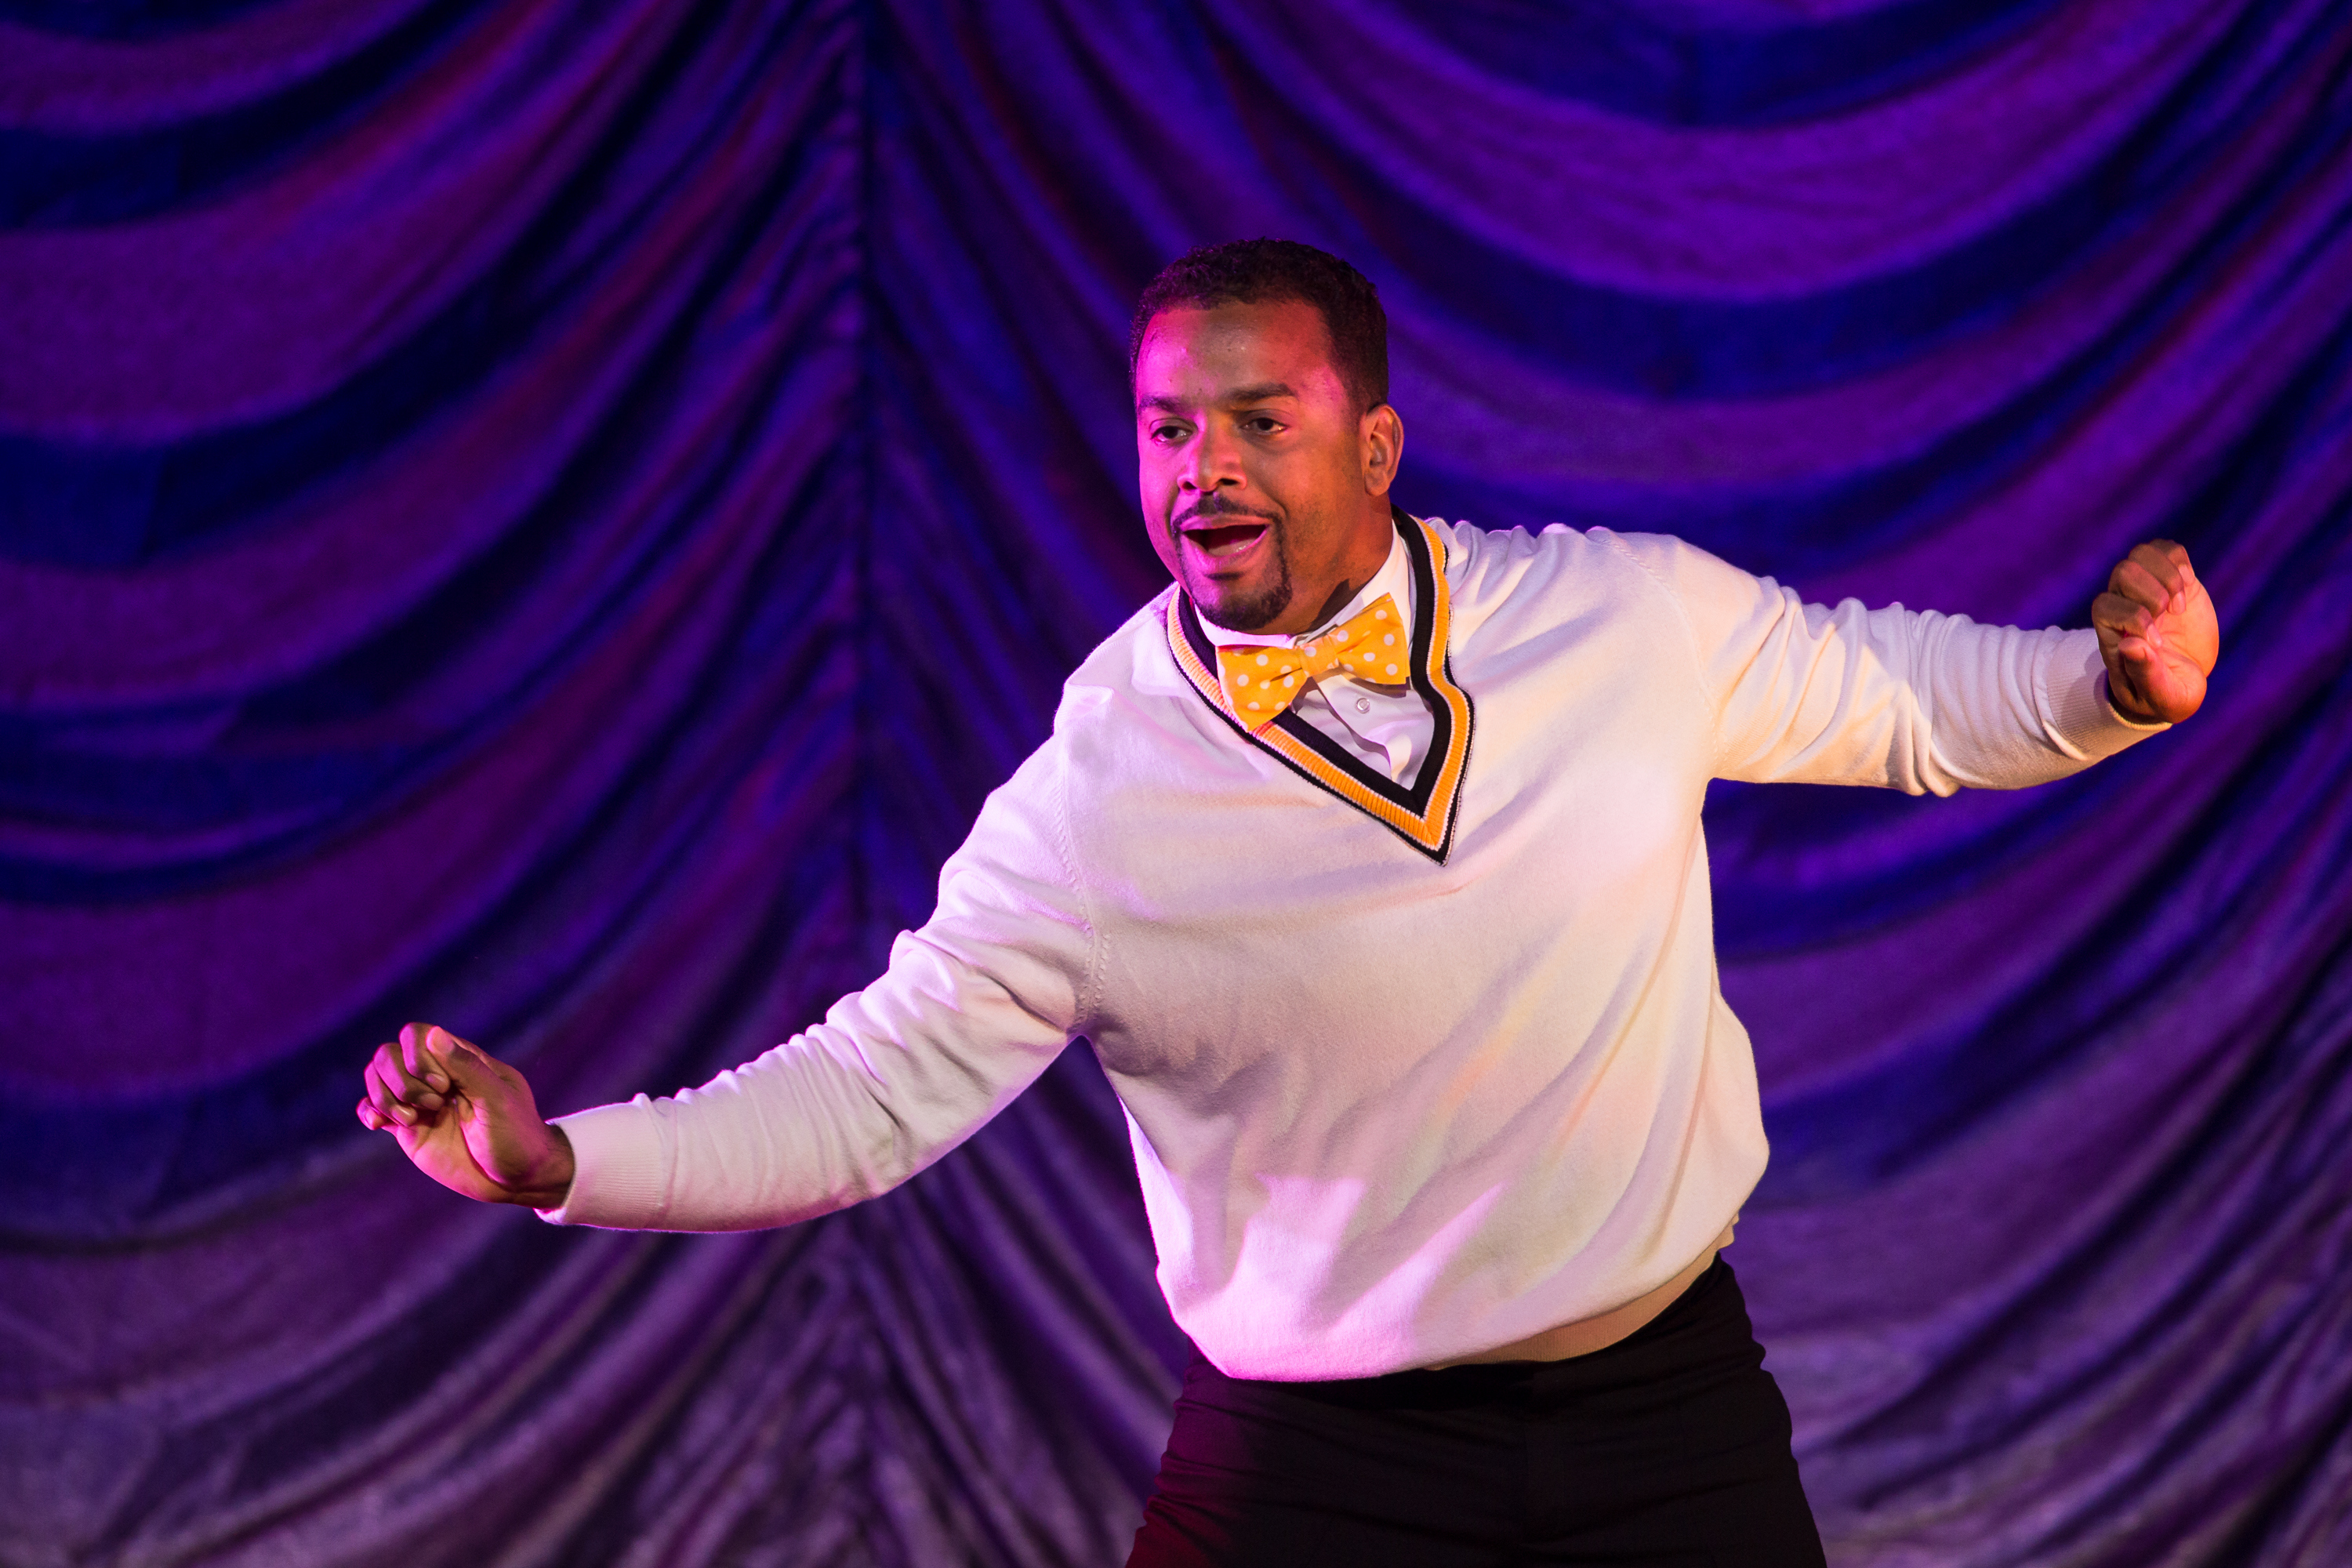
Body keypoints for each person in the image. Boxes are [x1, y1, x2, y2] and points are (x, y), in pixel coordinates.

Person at [358, 240, 2218, 1565]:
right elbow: (867, 1092)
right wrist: (561, 1160)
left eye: (1261, 419)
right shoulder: (1101, 787)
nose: (1207, 468)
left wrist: (2108, 687)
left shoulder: (1619, 620)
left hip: (1664, 1410)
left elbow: (1896, 697)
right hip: (1321, 1465)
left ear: (1377, 449)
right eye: (1170, 428)